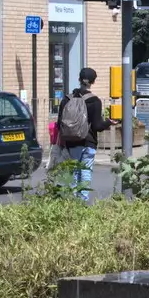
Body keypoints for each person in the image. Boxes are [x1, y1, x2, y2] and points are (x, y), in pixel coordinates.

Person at [56, 67, 110, 202]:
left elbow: (59, 124)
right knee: (85, 171)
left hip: (71, 143)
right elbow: (97, 126)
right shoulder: (94, 101)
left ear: (79, 79)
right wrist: (109, 123)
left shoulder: (66, 99)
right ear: (93, 82)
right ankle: (83, 202)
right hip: (88, 142)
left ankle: (73, 202)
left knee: (73, 172)